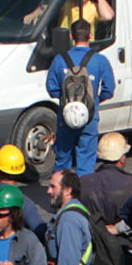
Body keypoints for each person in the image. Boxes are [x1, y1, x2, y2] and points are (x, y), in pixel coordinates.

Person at [45, 18, 116, 174]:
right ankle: (83, 193)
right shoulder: (100, 60)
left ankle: (61, 192)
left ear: (71, 36)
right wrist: (94, 101)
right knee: (86, 161)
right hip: (89, 117)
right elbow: (109, 89)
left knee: (62, 161)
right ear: (90, 35)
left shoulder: (59, 59)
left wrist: (66, 99)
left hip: (65, 116)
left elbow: (51, 89)